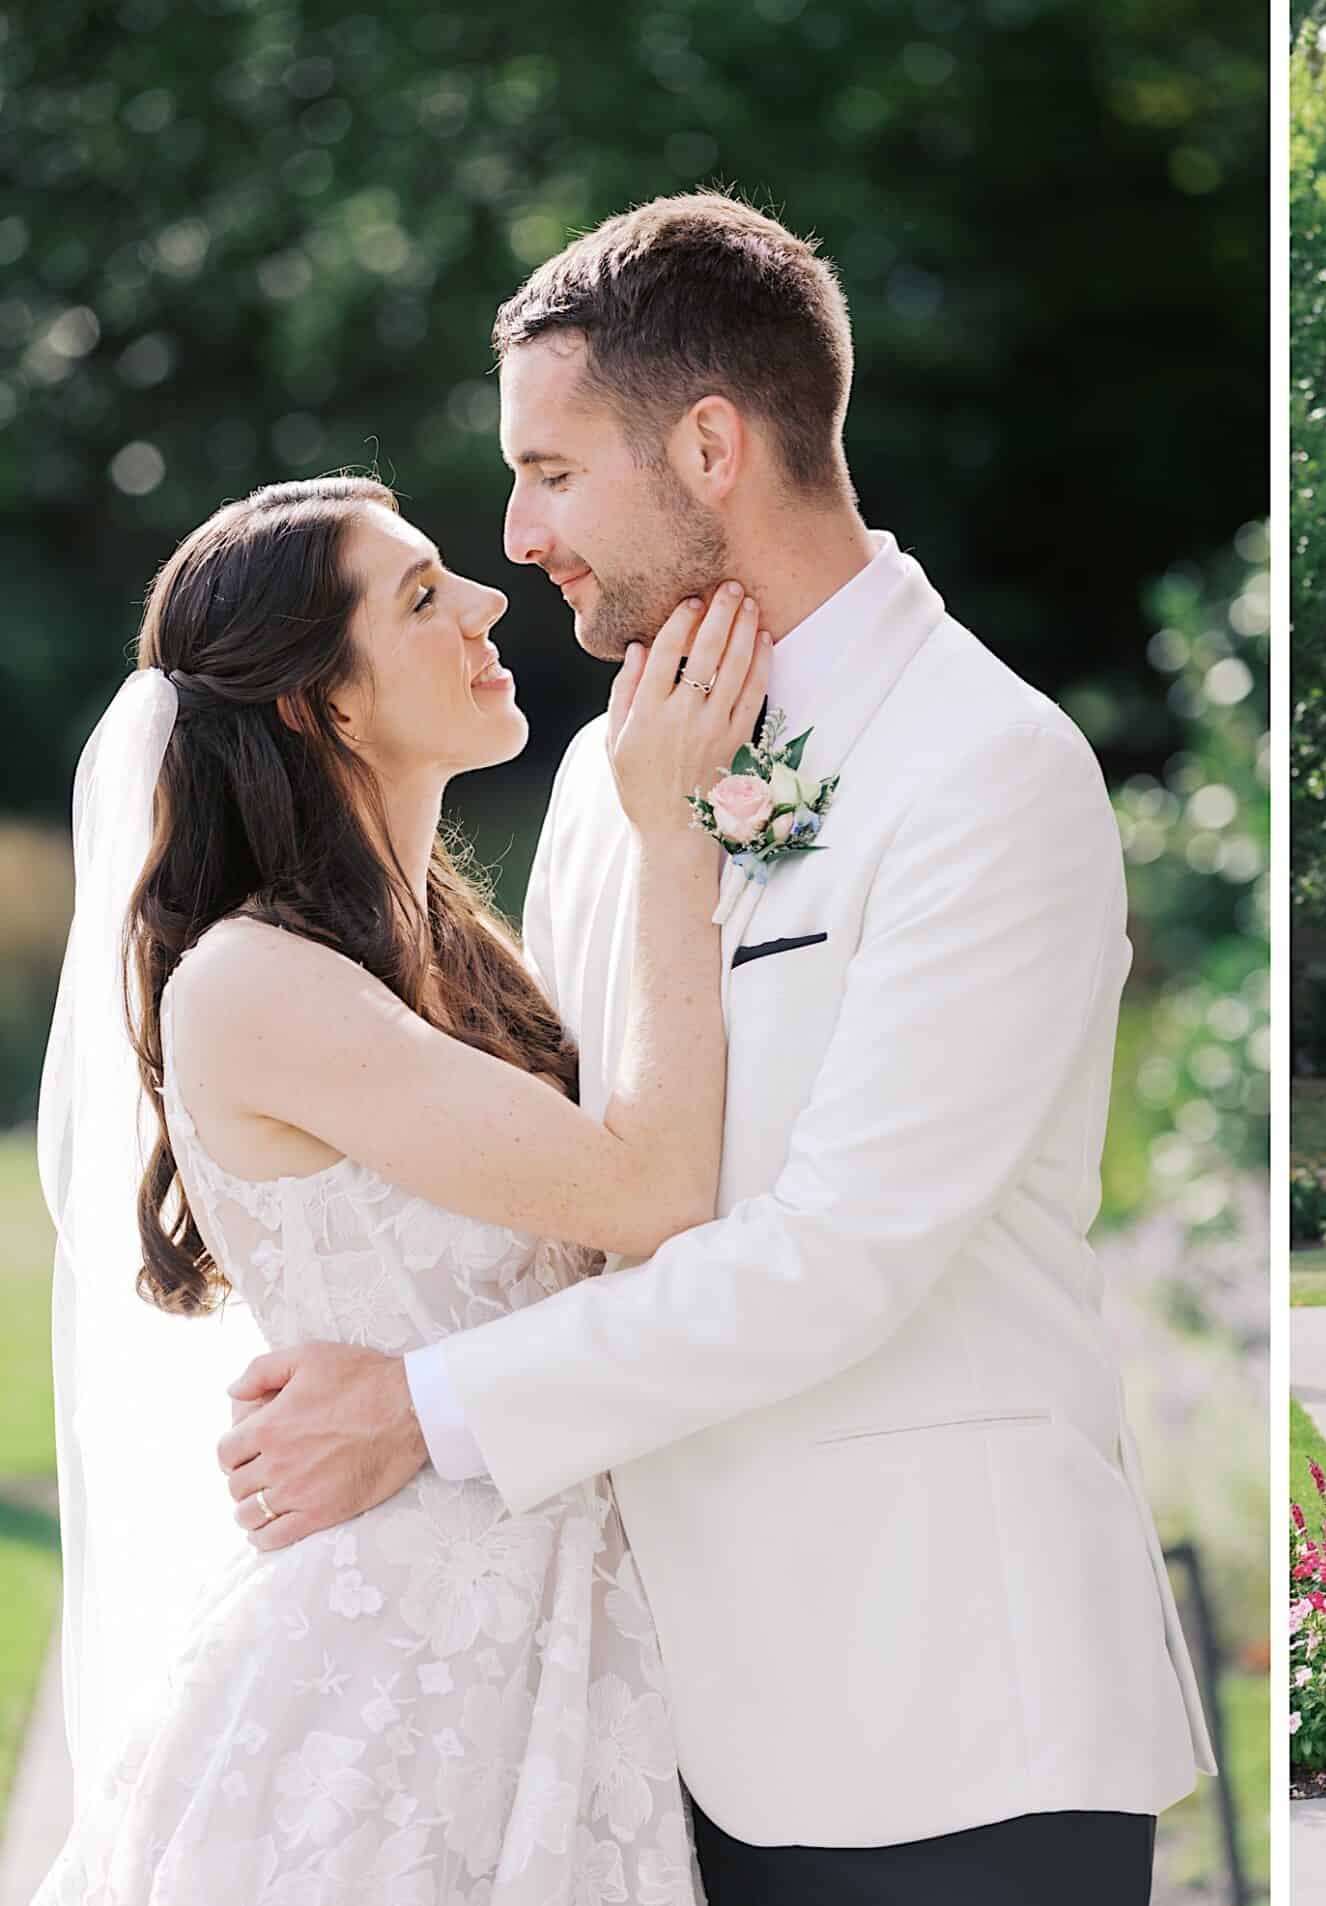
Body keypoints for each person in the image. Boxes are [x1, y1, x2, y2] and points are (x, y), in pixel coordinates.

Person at [207, 193, 1213, 1903]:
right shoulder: (621, 777)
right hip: (653, 1728)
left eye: (552, 470)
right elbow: (598, 1172)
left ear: (712, 443)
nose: (516, 531)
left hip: (947, 1714)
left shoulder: (990, 768)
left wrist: (427, 1409)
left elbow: (842, 1260)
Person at [40, 474, 766, 1902]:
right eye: (426, 596)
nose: (491, 601)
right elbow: (653, 1188)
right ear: (326, 707)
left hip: (559, 1654)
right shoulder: (252, 985)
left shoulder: (449, 951)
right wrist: (680, 837)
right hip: (388, 1696)